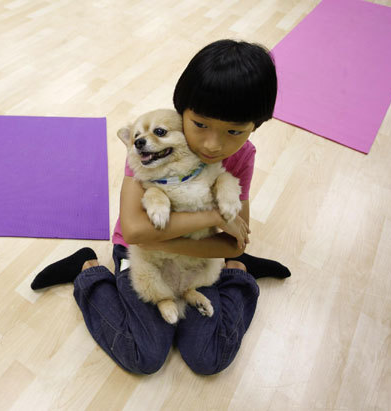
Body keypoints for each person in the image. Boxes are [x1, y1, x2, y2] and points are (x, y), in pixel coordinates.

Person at [31, 39, 290, 375]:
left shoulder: (241, 157)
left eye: (234, 131)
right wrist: (212, 217)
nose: (213, 144)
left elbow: (235, 242)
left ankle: (238, 277)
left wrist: (219, 249)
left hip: (199, 259)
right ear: (183, 110)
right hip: (141, 257)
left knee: (207, 358)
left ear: (255, 126)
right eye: (200, 125)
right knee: (146, 355)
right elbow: (136, 232)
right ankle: (88, 272)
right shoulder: (152, 144)